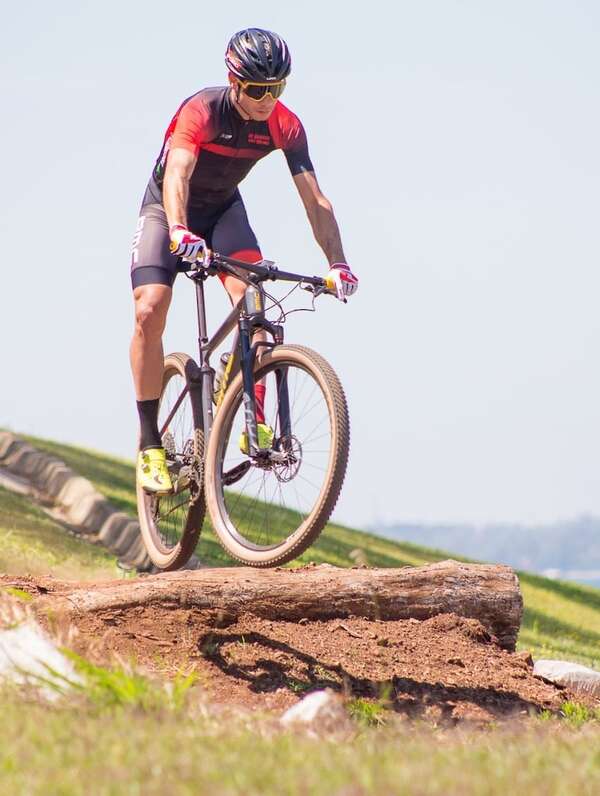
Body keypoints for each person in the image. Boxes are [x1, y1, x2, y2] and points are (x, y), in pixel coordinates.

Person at [129, 27, 358, 494]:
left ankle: (245, 412)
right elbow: (178, 174)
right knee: (149, 308)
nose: (267, 99)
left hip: (223, 212)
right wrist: (178, 230)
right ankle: (149, 442)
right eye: (257, 89)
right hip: (168, 209)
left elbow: (315, 200)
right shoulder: (202, 111)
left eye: (278, 88)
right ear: (235, 82)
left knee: (254, 302)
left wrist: (338, 263)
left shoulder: (285, 124)